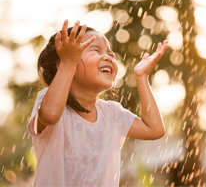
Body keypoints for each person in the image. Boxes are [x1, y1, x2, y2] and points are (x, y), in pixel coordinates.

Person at [27, 19, 168, 186]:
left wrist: (142, 77)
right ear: (62, 64)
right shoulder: (48, 101)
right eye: (95, 50)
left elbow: (155, 129)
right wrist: (68, 62)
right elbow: (49, 115)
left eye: (110, 54)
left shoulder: (112, 114)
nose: (108, 57)